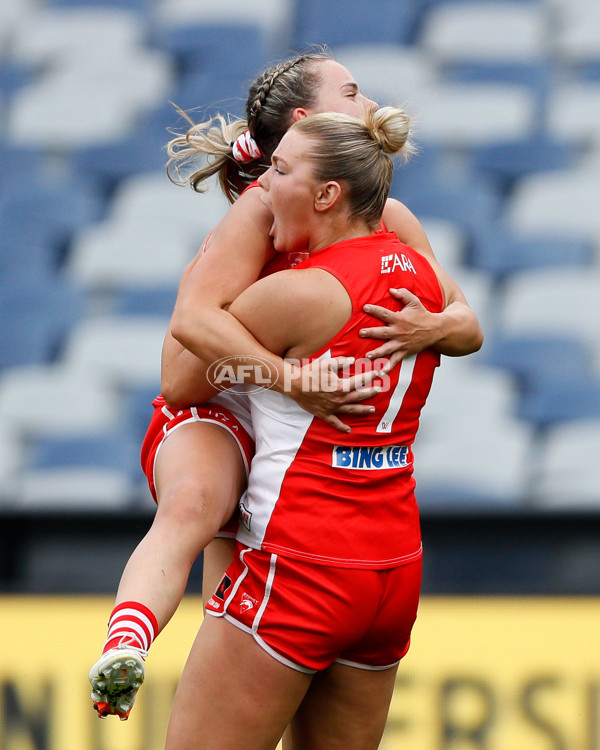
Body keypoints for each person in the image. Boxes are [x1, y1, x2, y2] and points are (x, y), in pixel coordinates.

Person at [88, 49, 483, 721]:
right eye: (352, 93)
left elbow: (466, 321)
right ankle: (127, 639)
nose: (367, 105)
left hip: (299, 462)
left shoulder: (391, 222)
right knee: (195, 505)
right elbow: (182, 374)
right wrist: (283, 376)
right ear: (307, 120)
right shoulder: (258, 213)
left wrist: (430, 327)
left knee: (230, 607)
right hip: (220, 405)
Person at [165, 105, 450, 750]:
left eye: (281, 170)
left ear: (327, 194)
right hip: (391, 567)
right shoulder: (425, 276)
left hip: (301, 560)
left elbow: (181, 378)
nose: (263, 182)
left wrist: (272, 366)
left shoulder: (300, 293)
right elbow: (468, 327)